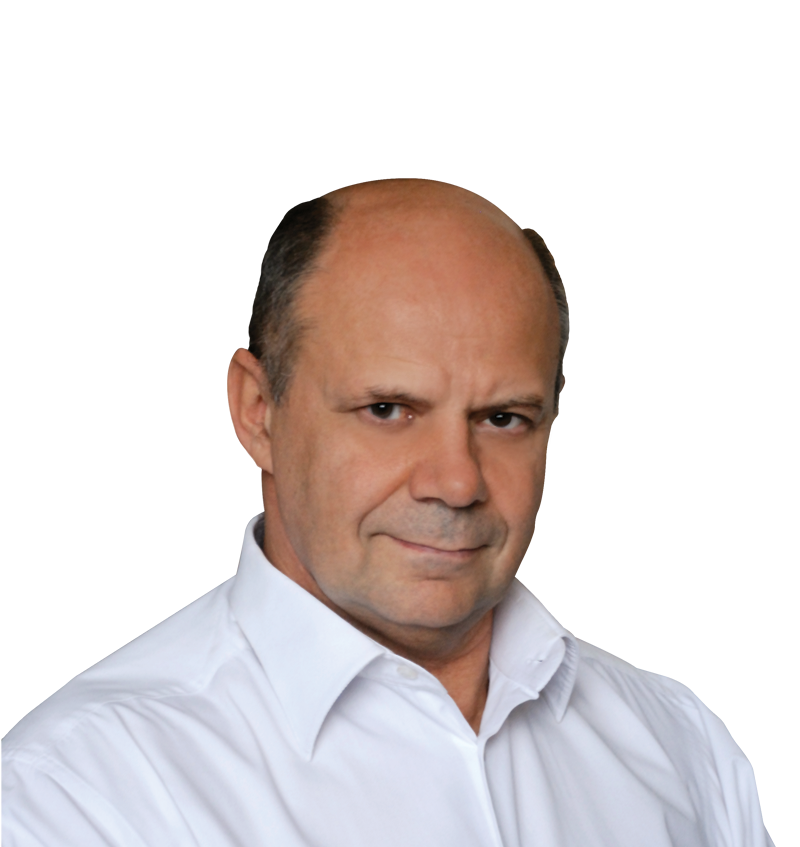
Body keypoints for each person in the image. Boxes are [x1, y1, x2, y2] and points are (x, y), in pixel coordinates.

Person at [2, 179, 773, 846]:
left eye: (503, 418)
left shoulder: (678, 746)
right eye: (388, 409)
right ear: (259, 409)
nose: (457, 482)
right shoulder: (79, 793)